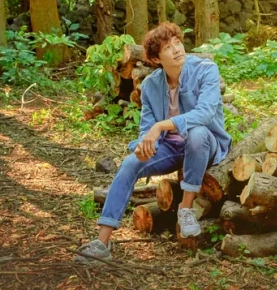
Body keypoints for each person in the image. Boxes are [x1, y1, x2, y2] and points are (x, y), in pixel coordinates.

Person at [75, 22, 232, 264]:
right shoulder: (150, 85)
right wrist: (142, 146)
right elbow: (147, 127)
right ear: (157, 59)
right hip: (170, 148)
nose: (177, 49)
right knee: (130, 164)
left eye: (177, 43)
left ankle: (186, 210)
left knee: (197, 133)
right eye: (168, 47)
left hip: (205, 144)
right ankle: (101, 242)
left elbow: (205, 113)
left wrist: (161, 126)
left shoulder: (205, 70)